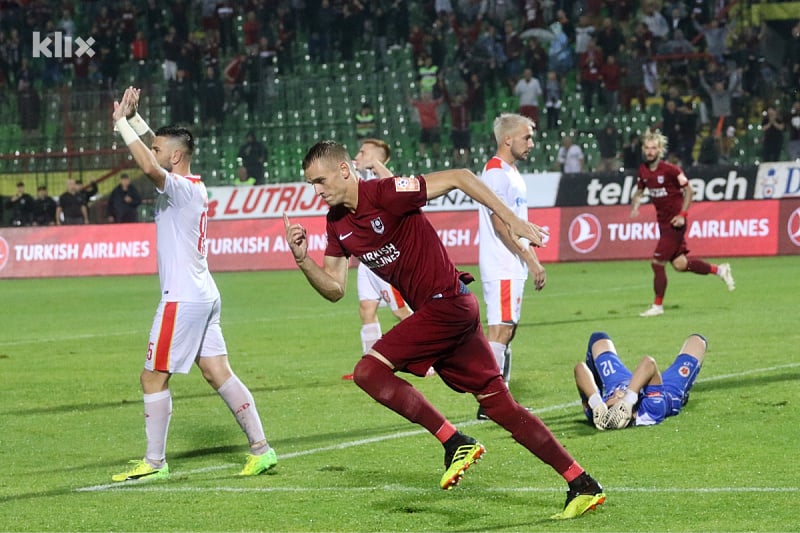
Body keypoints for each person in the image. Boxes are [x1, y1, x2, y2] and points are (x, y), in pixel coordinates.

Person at [284, 140, 605, 520]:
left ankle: (454, 442)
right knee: (500, 406)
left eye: (319, 181)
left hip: (447, 305)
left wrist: (515, 222)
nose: (316, 191)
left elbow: (460, 177)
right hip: (448, 313)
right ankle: (581, 482)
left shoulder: (386, 193)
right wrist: (303, 260)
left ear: (342, 170)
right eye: (310, 184)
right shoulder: (336, 224)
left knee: (368, 372)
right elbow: (335, 289)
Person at [110, 86, 276, 482]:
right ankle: (262, 449)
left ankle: (153, 463)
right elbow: (157, 153)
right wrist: (134, 118)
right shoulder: (191, 186)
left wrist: (120, 126)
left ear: (176, 157)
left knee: (152, 377)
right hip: (204, 294)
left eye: (159, 149)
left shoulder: (179, 188)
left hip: (182, 298)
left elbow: (151, 166)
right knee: (218, 372)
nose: (153, 152)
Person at [476, 113, 545, 420]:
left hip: (512, 261)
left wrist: (532, 239)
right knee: (500, 329)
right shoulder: (495, 174)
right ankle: (491, 404)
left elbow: (515, 220)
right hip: (503, 262)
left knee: (508, 329)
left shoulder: (511, 172)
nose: (532, 142)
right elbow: (501, 225)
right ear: (507, 139)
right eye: (526, 137)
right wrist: (530, 260)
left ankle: (496, 399)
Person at [631, 130, 735, 317]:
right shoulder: (643, 170)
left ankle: (657, 306)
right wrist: (636, 204)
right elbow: (640, 189)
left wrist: (682, 215)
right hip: (662, 225)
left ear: (660, 150)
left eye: (654, 148)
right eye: (647, 148)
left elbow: (689, 191)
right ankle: (719, 270)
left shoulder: (671, 170)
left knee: (657, 263)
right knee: (680, 264)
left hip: (675, 224)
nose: (649, 151)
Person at [341, 138, 414, 381]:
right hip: (366, 260)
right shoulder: (357, 181)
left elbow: (394, 185)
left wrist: (375, 165)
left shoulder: (382, 181)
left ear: (376, 157)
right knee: (366, 309)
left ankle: (432, 357)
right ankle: (370, 366)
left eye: (363, 152)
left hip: (385, 258)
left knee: (402, 312)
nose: (357, 155)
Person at [574, 331, 707, 430]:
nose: (616, 395)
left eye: (610, 399)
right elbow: (649, 363)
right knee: (697, 341)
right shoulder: (651, 409)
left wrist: (595, 401)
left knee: (598, 339)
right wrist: (628, 399)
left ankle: (599, 390)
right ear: (626, 411)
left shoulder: (600, 409)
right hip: (666, 390)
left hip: (621, 382)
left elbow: (580, 369)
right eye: (616, 400)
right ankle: (684, 397)